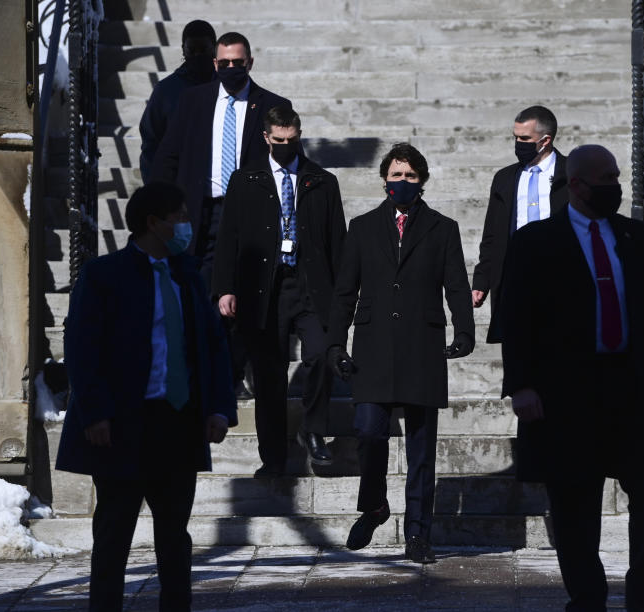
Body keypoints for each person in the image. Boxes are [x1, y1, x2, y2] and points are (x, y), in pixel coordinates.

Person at [499, 145, 644, 612]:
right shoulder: (535, 242)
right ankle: (587, 598)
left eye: (616, 176)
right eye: (605, 178)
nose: (615, 186)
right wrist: (523, 385)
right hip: (569, 394)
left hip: (638, 389)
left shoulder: (639, 238)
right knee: (574, 504)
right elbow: (518, 319)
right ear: (577, 185)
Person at [55, 182, 238, 612]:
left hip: (176, 422)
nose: (186, 225)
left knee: (174, 537)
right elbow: (83, 347)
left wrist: (218, 407)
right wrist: (95, 412)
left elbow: (212, 346)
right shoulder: (104, 275)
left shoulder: (188, 275)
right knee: (114, 534)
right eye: (179, 216)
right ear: (153, 222)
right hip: (123, 425)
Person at [326, 143, 475, 564]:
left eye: (410, 176)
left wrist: (464, 329)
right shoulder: (363, 227)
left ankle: (418, 535)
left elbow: (457, 286)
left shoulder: (442, 228)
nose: (402, 182)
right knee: (369, 430)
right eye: (396, 176)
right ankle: (373, 505)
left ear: (421, 180)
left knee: (421, 449)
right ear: (384, 180)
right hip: (372, 346)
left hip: (422, 345)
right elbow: (344, 293)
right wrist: (336, 343)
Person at [152, 31, 290, 399]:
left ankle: (229, 373)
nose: (231, 68)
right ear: (215, 64)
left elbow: (287, 163)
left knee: (240, 295)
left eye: (238, 63)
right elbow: (168, 155)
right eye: (224, 63)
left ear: (250, 63)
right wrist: (161, 205)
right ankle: (202, 371)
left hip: (247, 215)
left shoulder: (271, 105)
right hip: (201, 212)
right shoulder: (193, 101)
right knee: (196, 292)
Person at [214, 106, 346, 475]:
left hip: (311, 286)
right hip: (264, 290)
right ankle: (272, 457)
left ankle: (314, 429)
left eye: (293, 140)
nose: (286, 146)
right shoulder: (246, 180)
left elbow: (339, 241)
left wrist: (344, 295)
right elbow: (230, 238)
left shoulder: (321, 181)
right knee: (269, 374)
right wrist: (225, 288)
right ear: (266, 138)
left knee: (321, 355)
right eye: (279, 140)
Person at [471, 105, 568, 343]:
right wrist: (482, 280)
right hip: (516, 276)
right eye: (515, 137)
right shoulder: (505, 179)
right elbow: (492, 234)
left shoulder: (571, 173)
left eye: (525, 138)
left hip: (561, 275)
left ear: (545, 140)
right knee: (519, 352)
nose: (518, 143)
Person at [139, 20, 217, 183]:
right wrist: (155, 185)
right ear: (183, 49)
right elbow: (151, 142)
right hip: (179, 186)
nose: (197, 55)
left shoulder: (228, 85)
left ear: (214, 49)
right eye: (191, 50)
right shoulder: (166, 90)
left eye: (203, 49)